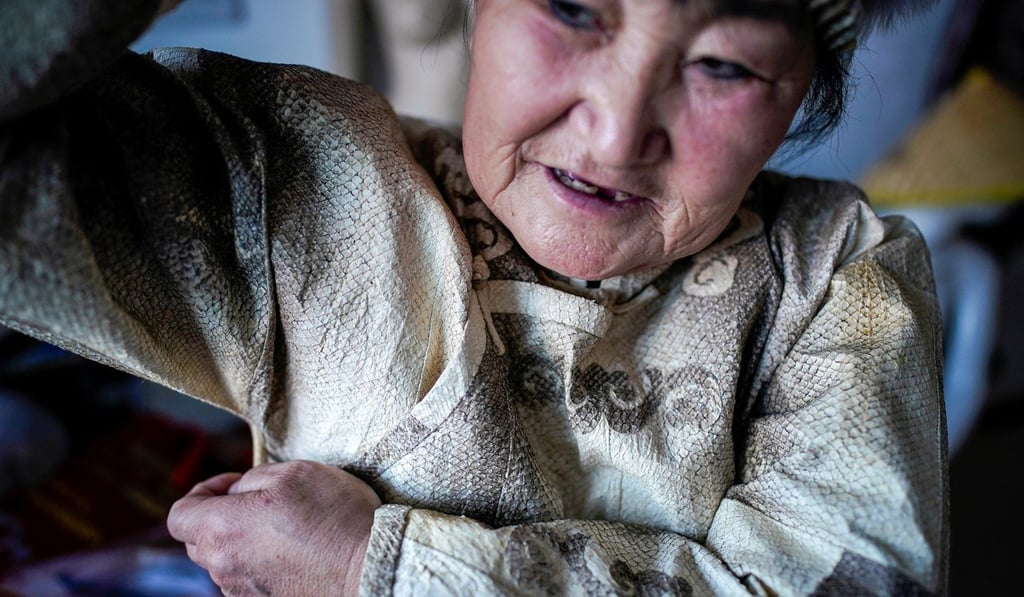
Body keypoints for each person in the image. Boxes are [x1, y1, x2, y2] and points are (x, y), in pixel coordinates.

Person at [1, 0, 947, 594]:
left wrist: (376, 571)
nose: (617, 135)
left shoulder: (835, 273)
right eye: (573, 9)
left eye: (726, 65)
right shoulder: (315, 181)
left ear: (798, 96)